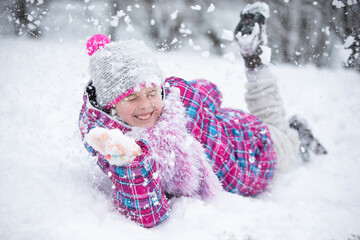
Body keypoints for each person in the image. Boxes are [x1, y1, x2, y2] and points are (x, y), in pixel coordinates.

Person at [78, 2, 326, 228]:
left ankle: (296, 133)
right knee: (272, 118)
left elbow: (208, 94)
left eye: (152, 92)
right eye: (131, 98)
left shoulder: (177, 99)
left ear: (160, 87)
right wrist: (129, 161)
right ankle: (254, 60)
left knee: (284, 138)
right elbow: (148, 212)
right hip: (242, 143)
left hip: (257, 151)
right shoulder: (112, 143)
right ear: (109, 105)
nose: (145, 105)